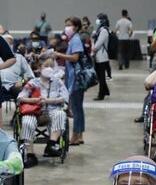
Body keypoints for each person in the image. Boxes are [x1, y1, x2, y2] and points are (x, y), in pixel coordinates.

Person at [17, 60, 68, 167]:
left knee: (60, 114)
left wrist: (49, 101)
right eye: (46, 66)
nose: (49, 68)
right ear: (40, 68)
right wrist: (34, 100)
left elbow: (65, 97)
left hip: (52, 110)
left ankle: (51, 144)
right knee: (26, 121)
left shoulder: (58, 82)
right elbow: (20, 98)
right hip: (35, 111)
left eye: (51, 66)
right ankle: (30, 155)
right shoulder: (32, 83)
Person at [53, 17, 86, 146]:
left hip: (76, 79)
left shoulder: (76, 39)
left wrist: (59, 55)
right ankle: (80, 135)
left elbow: (75, 57)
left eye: (69, 25)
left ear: (76, 27)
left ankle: (75, 136)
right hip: (72, 78)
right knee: (78, 108)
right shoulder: (73, 40)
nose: (66, 28)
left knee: (76, 109)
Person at [0, 34, 34, 101]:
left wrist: (21, 81)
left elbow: (28, 76)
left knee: (25, 93)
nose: (7, 44)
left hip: (15, 86)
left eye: (10, 43)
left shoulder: (20, 58)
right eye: (5, 42)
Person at [92, 13, 111, 101]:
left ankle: (101, 94)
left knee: (101, 77)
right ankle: (105, 91)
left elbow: (99, 43)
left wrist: (93, 49)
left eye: (99, 19)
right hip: (99, 56)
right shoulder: (100, 30)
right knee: (100, 76)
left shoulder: (103, 31)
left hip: (102, 56)